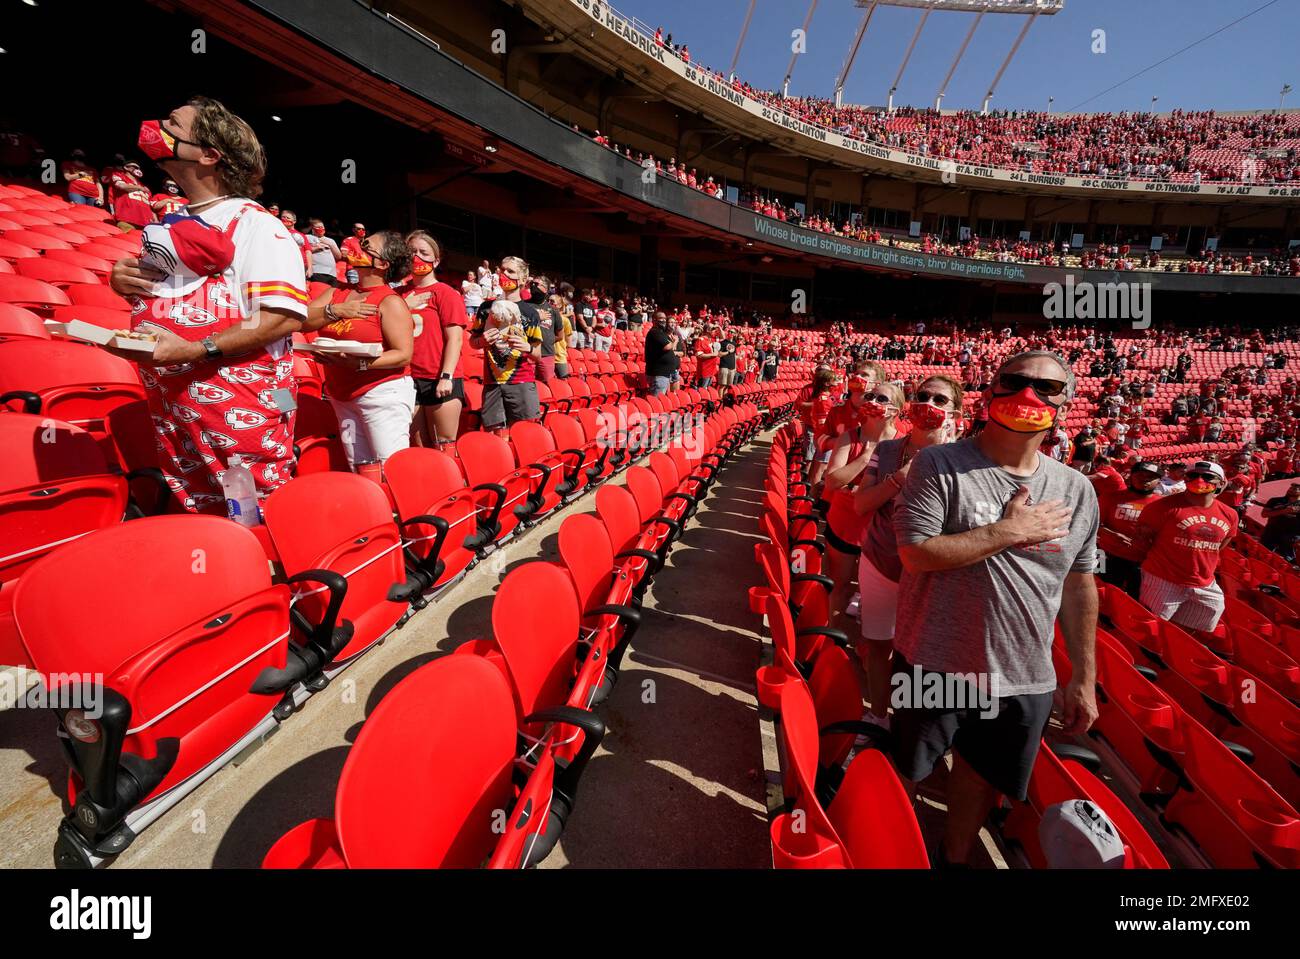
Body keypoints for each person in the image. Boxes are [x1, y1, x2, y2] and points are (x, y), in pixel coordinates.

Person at [892, 350, 1099, 867]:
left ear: (1065, 404)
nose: (1029, 394)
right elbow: (917, 555)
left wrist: (1084, 676)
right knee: (908, 771)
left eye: (1048, 387)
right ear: (991, 391)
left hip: (1023, 676)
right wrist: (1009, 532)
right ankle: (893, 848)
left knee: (979, 780)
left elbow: (1078, 584)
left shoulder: (1077, 489)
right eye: (1017, 381)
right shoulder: (938, 464)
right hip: (933, 661)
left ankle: (952, 858)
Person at [110, 96, 305, 512]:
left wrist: (195, 349)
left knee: (251, 523)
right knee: (205, 529)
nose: (157, 126)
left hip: (239, 417)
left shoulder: (257, 225)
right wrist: (124, 281)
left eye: (172, 124)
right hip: (175, 412)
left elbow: (281, 317)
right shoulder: (173, 220)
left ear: (209, 154)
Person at [852, 376, 960, 730]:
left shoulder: (963, 463)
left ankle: (911, 731)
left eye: (940, 399)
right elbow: (861, 504)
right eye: (923, 395)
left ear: (955, 411)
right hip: (880, 562)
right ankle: (878, 716)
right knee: (878, 646)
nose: (929, 403)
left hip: (928, 576)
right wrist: (899, 478)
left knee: (919, 658)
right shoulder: (886, 451)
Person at [303, 230, 416, 469]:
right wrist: (336, 311)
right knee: (361, 468)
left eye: (366, 247)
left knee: (390, 469)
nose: (356, 247)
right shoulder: (336, 292)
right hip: (341, 394)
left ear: (383, 264)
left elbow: (403, 354)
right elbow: (302, 321)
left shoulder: (390, 301)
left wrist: (360, 364)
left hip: (381, 394)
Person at [1131, 461, 1238, 635]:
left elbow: (1220, 545)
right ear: (1185, 479)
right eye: (1193, 476)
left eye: (1208, 477)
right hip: (1163, 579)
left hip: (1204, 580)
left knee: (1199, 622)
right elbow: (1141, 542)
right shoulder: (1161, 507)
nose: (1200, 480)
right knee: (1151, 629)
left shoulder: (1230, 514)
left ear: (1221, 483)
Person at [402, 231, 466, 447]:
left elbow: (455, 339)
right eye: (412, 252)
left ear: (436, 260)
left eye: (423, 252)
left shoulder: (445, 293)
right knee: (419, 446)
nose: (417, 257)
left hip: (438, 378)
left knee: (443, 446)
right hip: (408, 379)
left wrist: (446, 376)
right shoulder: (399, 294)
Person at [470, 256, 542, 431]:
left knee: (524, 434)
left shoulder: (530, 313)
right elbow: (472, 342)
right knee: (495, 435)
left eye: (510, 271)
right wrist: (482, 341)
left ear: (523, 279)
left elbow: (538, 354)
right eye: (502, 270)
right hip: (492, 383)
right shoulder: (485, 308)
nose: (504, 274)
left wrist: (526, 347)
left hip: (521, 382)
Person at [1096, 461, 1164, 598]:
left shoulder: (1163, 505)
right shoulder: (1110, 497)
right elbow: (1092, 525)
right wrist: (1111, 534)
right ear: (1130, 476)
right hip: (1105, 555)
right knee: (1101, 594)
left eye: (1151, 477)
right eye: (1140, 475)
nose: (1145, 479)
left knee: (1136, 599)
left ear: (1159, 481)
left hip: (1142, 561)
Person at [108, 159, 155, 229]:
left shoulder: (144, 187)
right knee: (125, 239)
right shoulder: (119, 175)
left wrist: (155, 220)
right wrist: (140, 188)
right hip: (127, 219)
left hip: (146, 223)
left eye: (139, 168)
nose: (138, 169)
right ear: (126, 167)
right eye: (135, 167)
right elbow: (121, 186)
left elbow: (150, 206)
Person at [1260, 482, 1300, 562]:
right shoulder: (1275, 500)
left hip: (1289, 537)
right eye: (1290, 488)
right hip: (1271, 532)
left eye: (1295, 489)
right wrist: (1284, 511)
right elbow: (1264, 514)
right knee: (1263, 555)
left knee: (1286, 561)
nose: (1290, 490)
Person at [644, 311, 679, 396]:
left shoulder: (661, 332)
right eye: (661, 318)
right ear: (654, 320)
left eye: (664, 318)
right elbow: (667, 346)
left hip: (664, 374)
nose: (663, 320)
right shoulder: (655, 332)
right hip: (658, 374)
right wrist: (675, 341)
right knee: (657, 401)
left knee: (661, 400)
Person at [306, 218, 343, 285]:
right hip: (317, 272)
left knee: (331, 294)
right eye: (318, 227)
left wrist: (331, 245)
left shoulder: (331, 240)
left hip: (332, 274)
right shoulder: (307, 237)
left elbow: (338, 256)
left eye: (322, 227)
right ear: (313, 229)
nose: (321, 229)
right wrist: (316, 248)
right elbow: (302, 251)